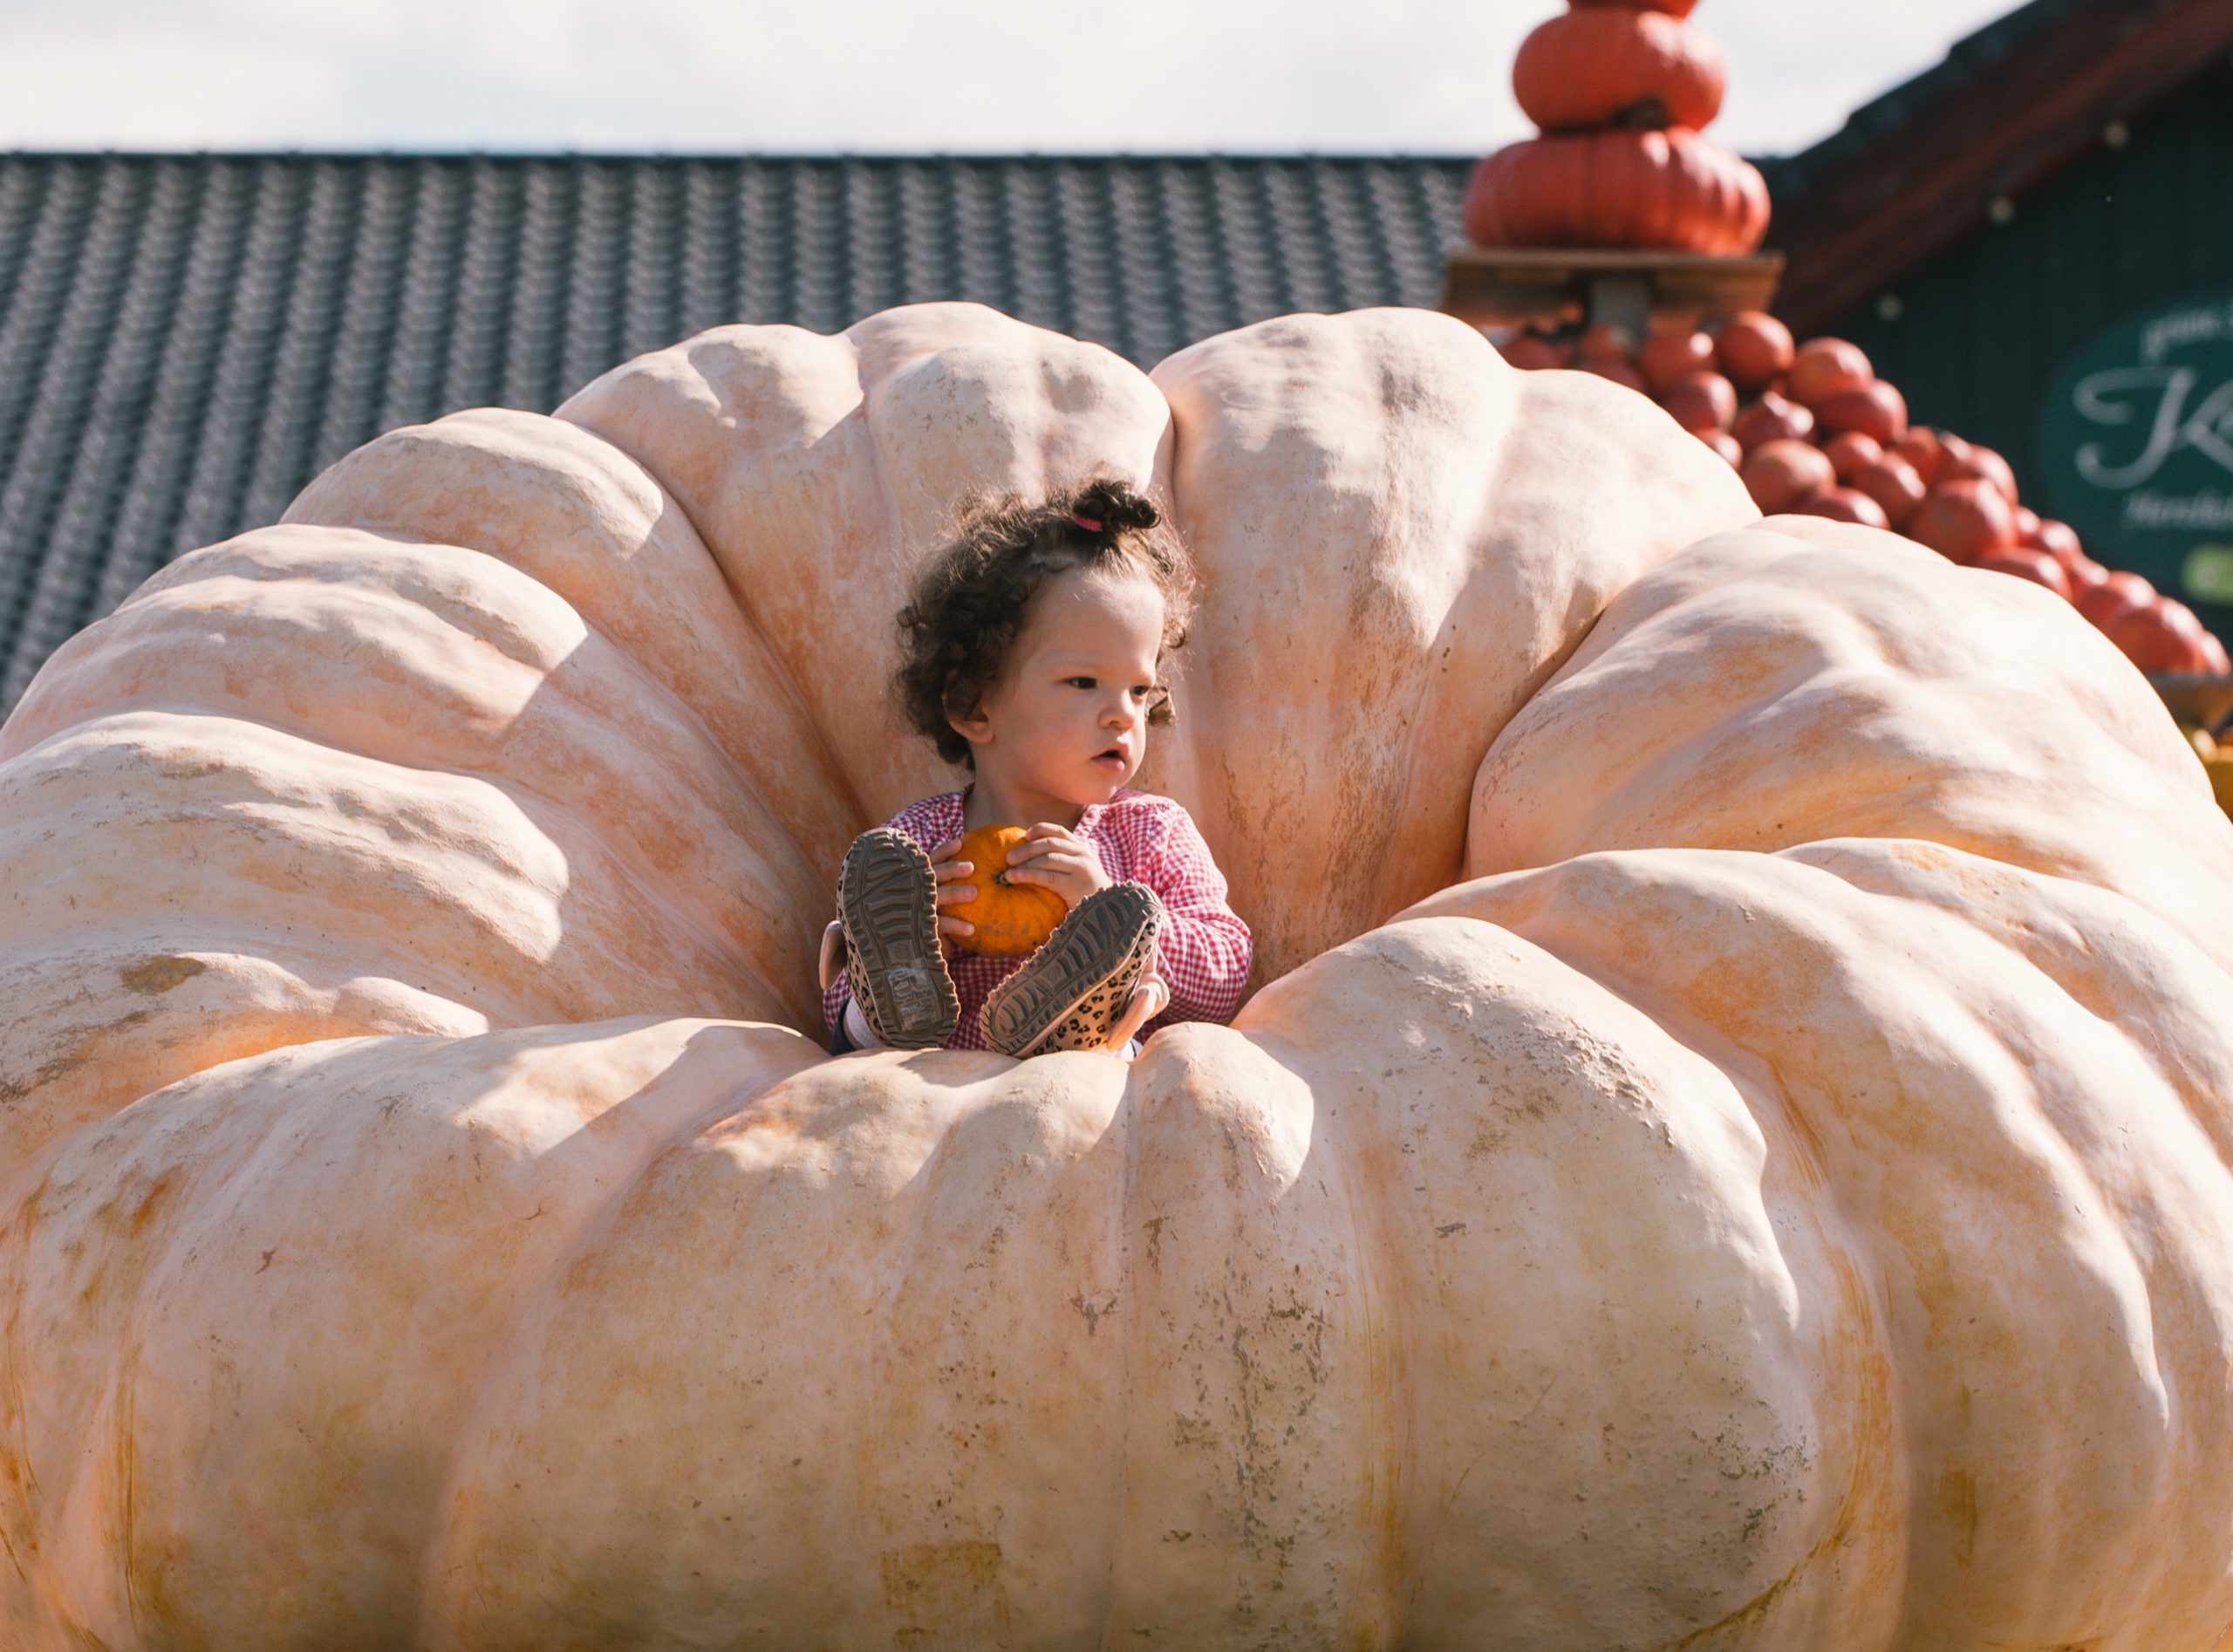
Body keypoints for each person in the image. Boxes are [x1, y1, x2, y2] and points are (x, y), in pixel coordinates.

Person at [819, 476, 1252, 1059]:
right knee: (878, 991)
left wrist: (1116, 917)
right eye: (1083, 683)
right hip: (937, 1099)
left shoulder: (1150, 833)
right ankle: (900, 993)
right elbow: (831, 999)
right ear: (974, 704)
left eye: (1139, 690)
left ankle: (1082, 1012)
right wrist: (924, 942)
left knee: (1119, 1010)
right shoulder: (921, 845)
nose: (1123, 715)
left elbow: (1225, 971)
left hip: (1096, 1098)